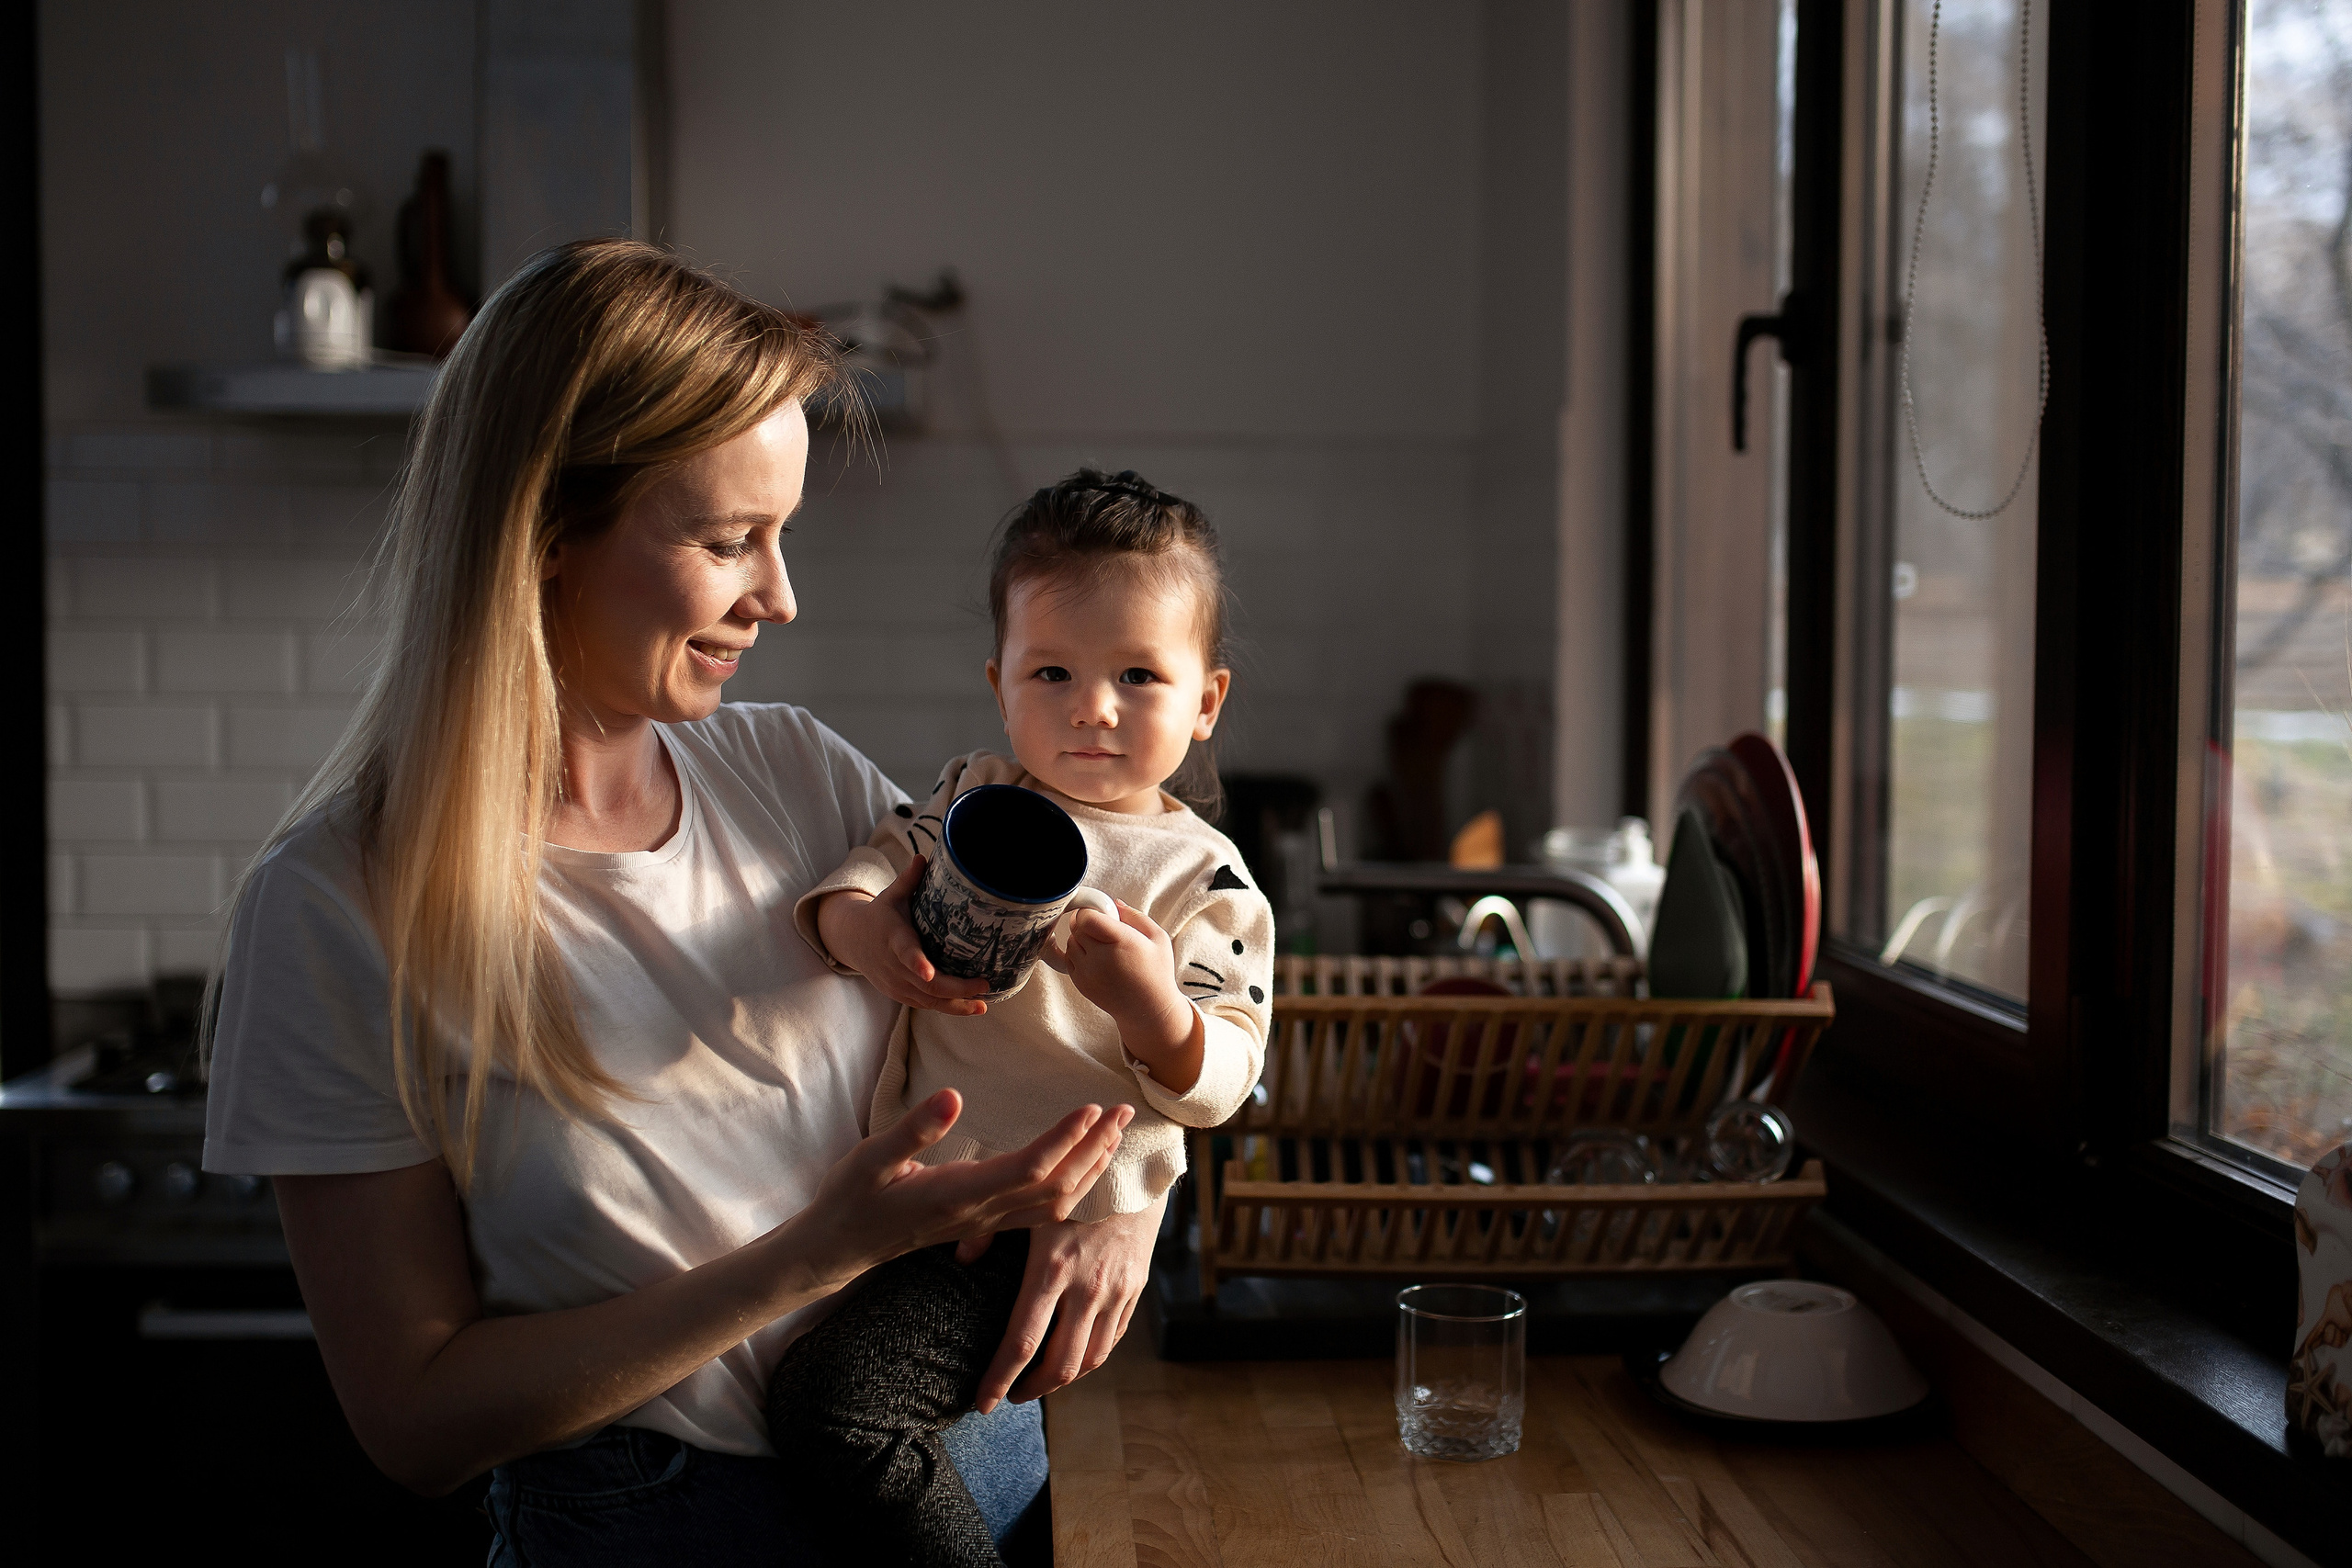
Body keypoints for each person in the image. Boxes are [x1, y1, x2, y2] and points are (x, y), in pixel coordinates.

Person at [198, 240, 1166, 1567]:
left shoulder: (797, 774)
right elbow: (414, 1420)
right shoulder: (335, 905)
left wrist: (1127, 1200)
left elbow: (1089, 999)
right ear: (542, 531)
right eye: (730, 540)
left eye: (783, 536)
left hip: (968, 1478)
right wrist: (815, 1253)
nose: (778, 595)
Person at [768, 470, 1273, 1565]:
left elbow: (1226, 1074)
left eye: (1139, 674)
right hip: (918, 1205)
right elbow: (870, 869)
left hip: (1042, 1224)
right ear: (1000, 685)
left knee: (830, 1408)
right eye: (1054, 671)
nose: (1092, 706)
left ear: (1206, 701)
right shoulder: (972, 796)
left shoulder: (1206, 880)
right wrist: (862, 933)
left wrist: (1149, 1007)